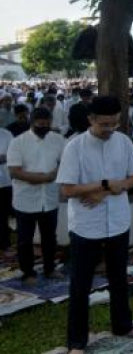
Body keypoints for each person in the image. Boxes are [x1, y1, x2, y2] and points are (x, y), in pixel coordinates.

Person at [56, 96, 133, 353]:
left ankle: (123, 326)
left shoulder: (123, 142)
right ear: (91, 120)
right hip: (86, 225)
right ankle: (76, 341)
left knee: (119, 279)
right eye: (104, 125)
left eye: (114, 124)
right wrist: (104, 184)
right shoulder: (75, 147)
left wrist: (106, 190)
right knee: (81, 285)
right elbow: (67, 189)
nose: (110, 130)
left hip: (117, 221)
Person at [7, 107, 65, 284]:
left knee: (49, 237)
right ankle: (28, 272)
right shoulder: (18, 142)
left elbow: (65, 162)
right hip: (26, 199)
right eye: (41, 124)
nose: (45, 127)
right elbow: (15, 171)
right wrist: (41, 178)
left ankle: (50, 269)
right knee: (25, 239)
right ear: (32, 123)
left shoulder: (57, 139)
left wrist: (55, 173)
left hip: (49, 198)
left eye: (47, 124)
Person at [0, 126, 11, 250]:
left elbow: (13, 155)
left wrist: (4, 157)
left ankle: (4, 244)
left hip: (4, 182)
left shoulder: (7, 134)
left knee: (3, 215)